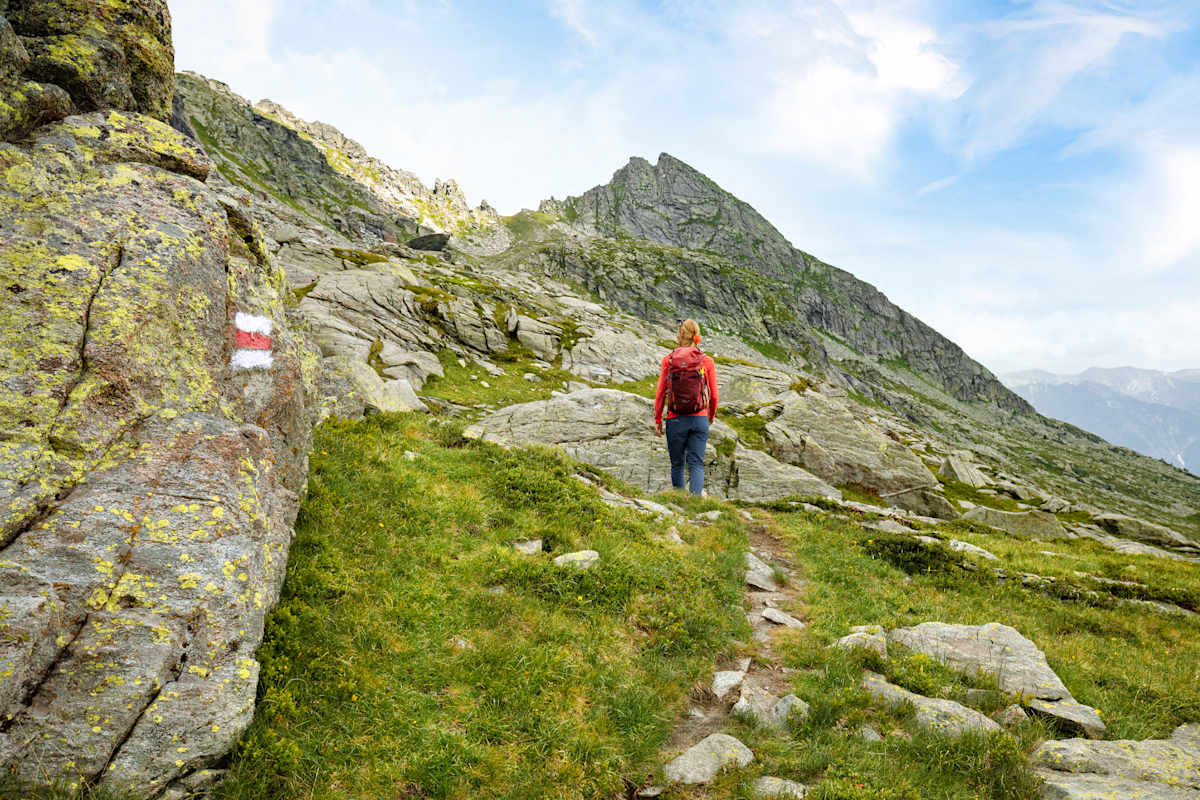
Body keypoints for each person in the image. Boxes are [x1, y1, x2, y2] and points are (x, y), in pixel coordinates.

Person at [654, 319, 719, 495]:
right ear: (696, 337)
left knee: (677, 463)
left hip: (675, 419)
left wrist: (658, 419)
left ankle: (680, 501)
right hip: (699, 418)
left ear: (680, 335)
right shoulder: (707, 361)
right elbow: (713, 395)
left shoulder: (668, 360)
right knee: (697, 463)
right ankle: (695, 503)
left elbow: (661, 392)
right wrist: (710, 416)